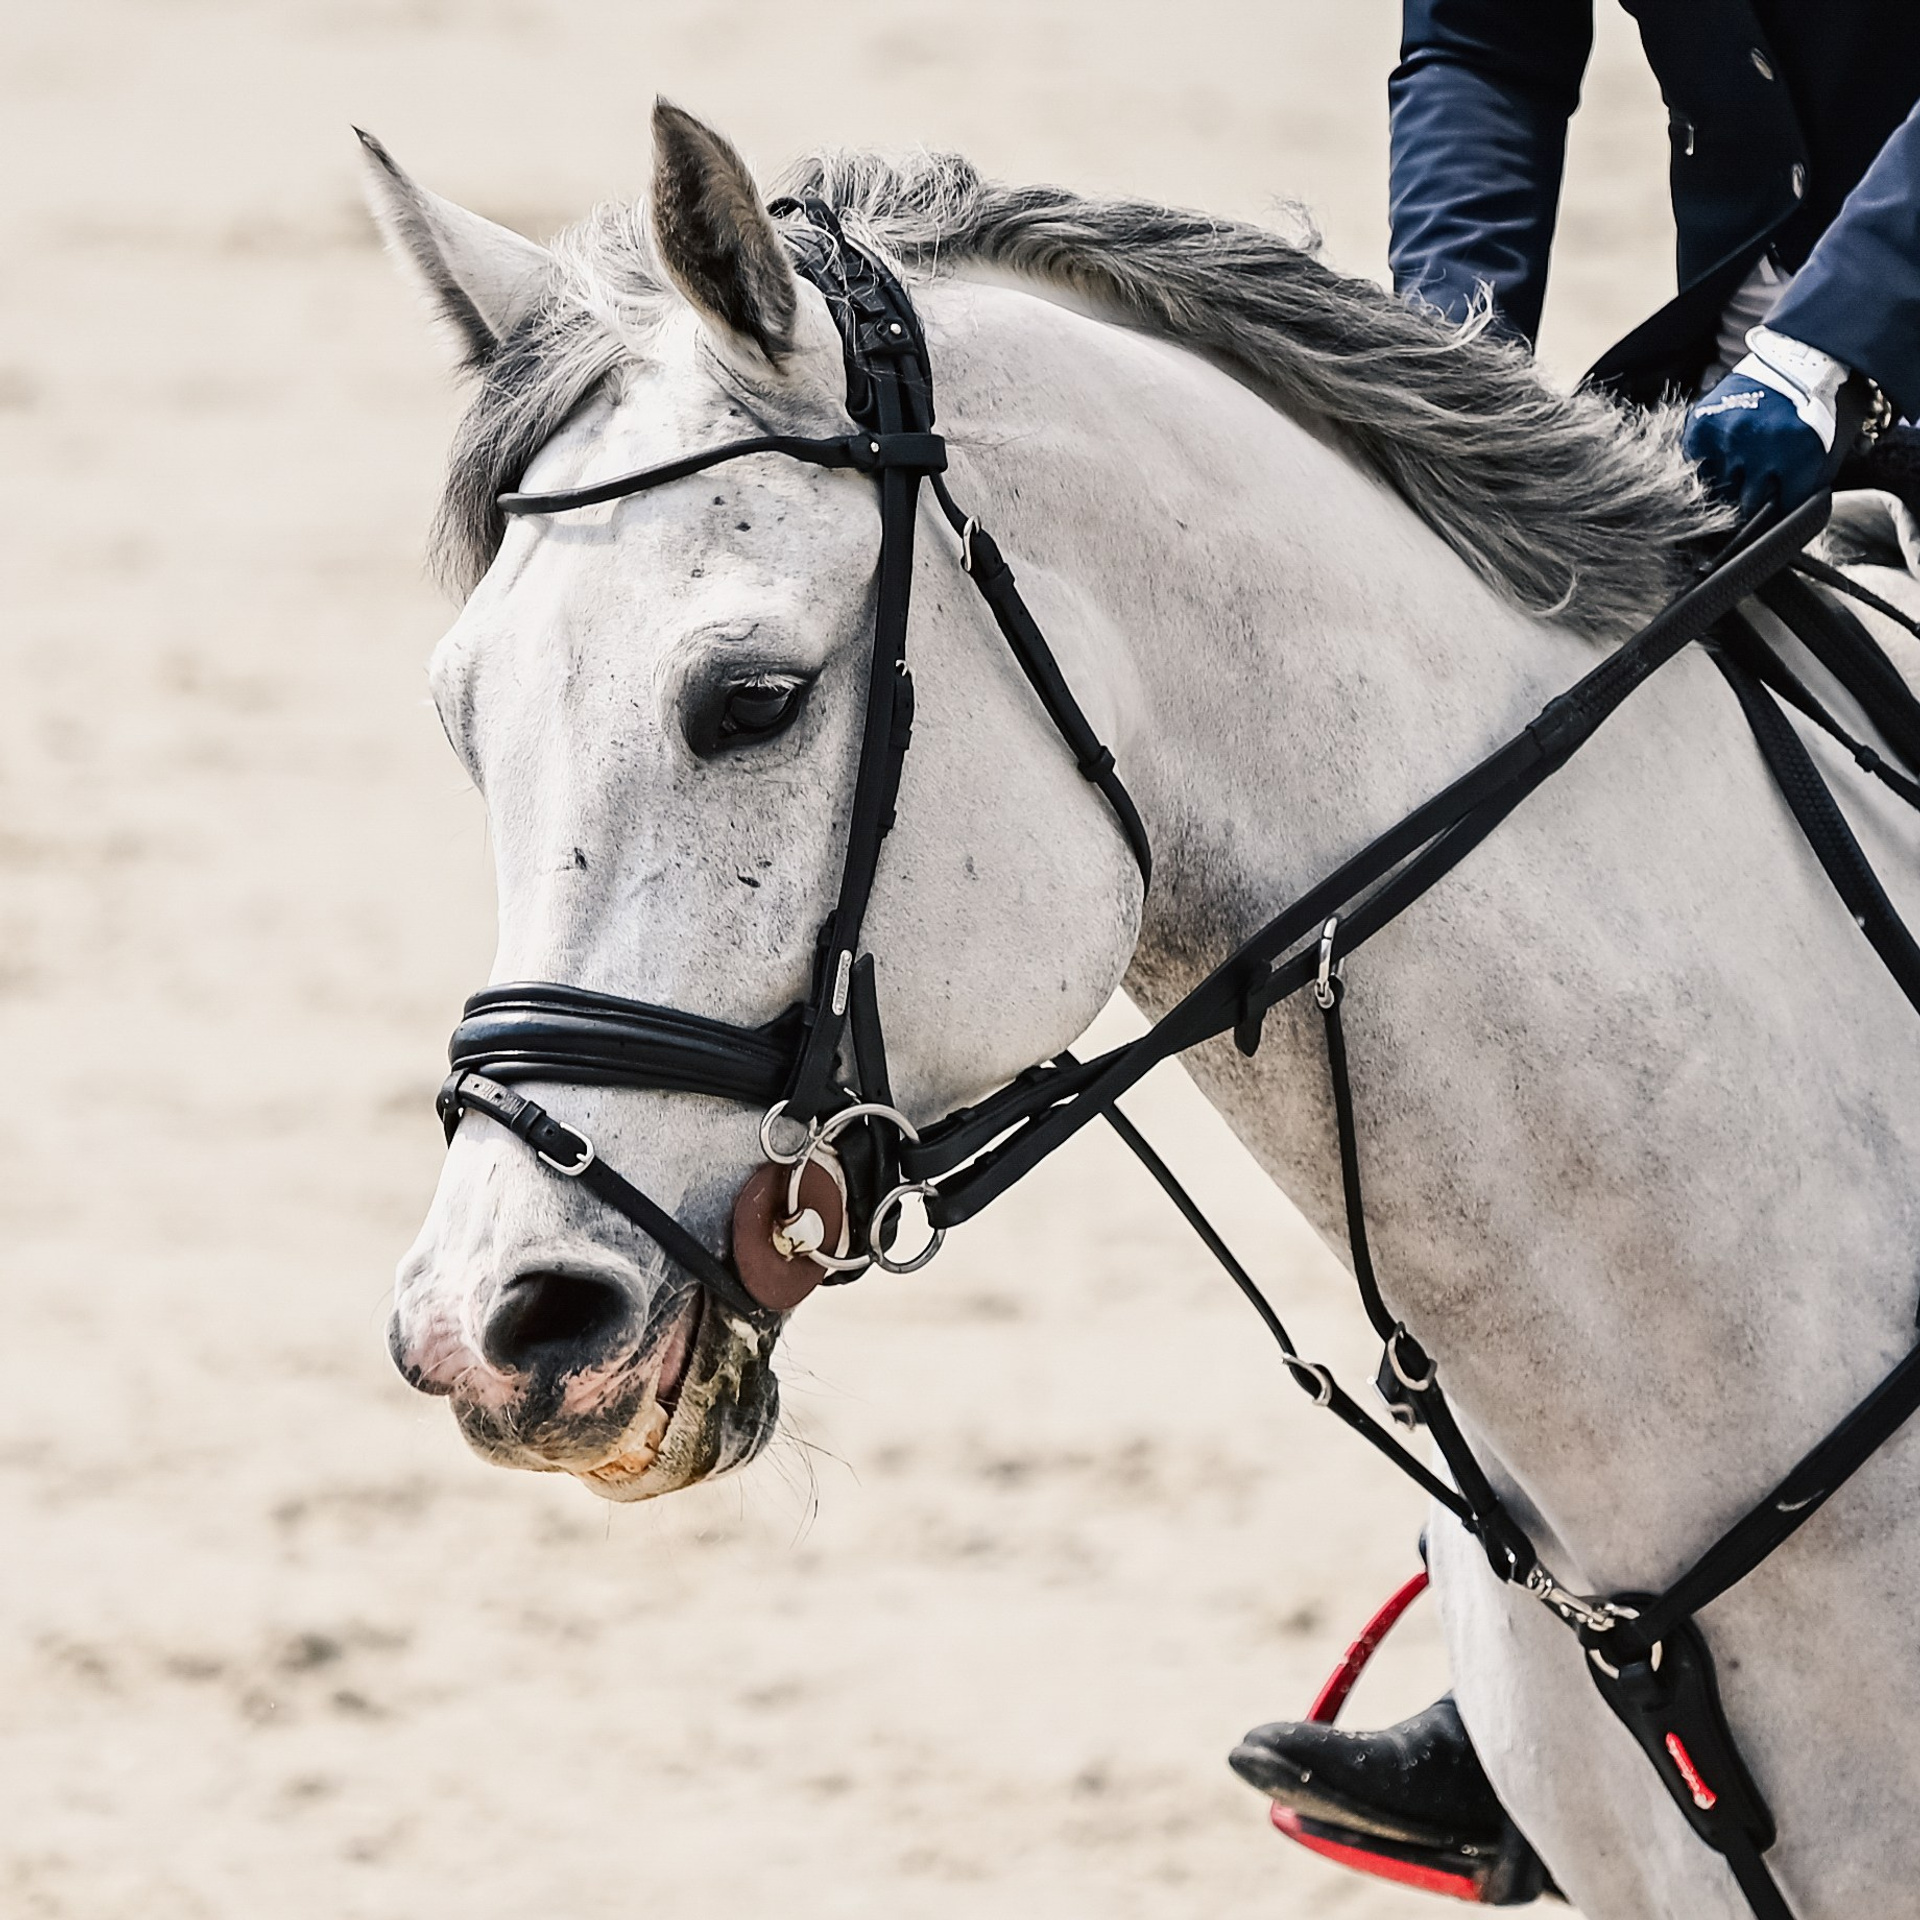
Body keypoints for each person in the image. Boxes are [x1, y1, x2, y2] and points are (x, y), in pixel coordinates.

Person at [1230, 1, 1920, 1896]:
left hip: (1833, 349)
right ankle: (1569, 1627)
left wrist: (1829, 340)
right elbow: (1483, 39)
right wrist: (1452, 355)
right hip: (1759, 386)